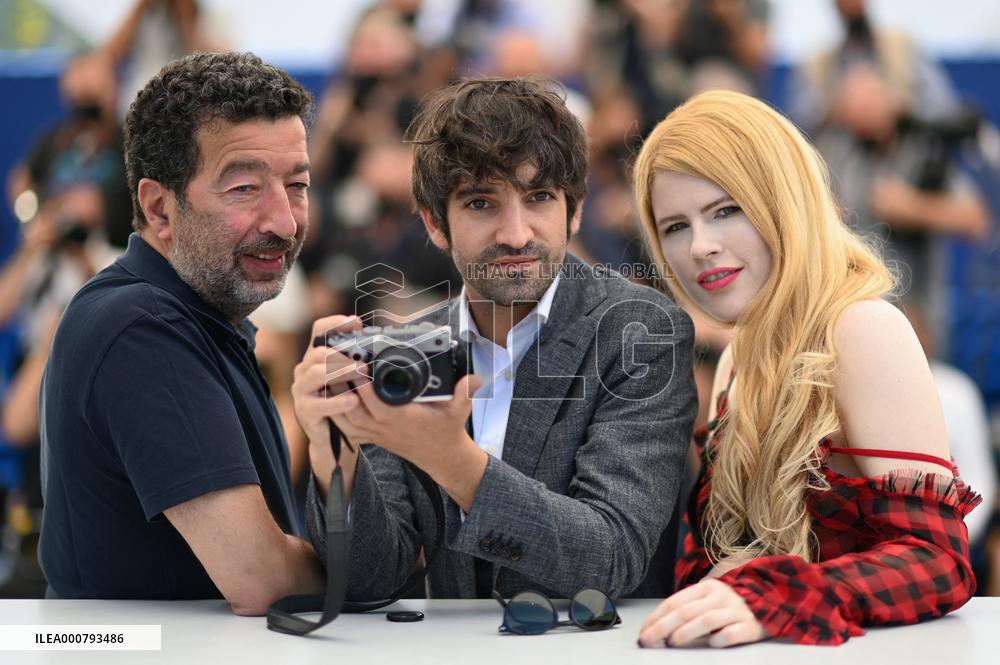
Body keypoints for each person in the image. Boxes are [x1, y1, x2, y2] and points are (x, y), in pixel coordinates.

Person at [294, 76, 697, 600]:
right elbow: (370, 582)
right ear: (436, 224)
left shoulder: (642, 330)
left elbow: (612, 557)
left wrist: (450, 459)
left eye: (539, 198)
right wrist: (333, 459)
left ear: (574, 211)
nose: (516, 233)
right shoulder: (411, 349)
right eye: (482, 203)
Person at [631, 90, 980, 647]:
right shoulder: (736, 357)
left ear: (782, 202)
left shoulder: (862, 327)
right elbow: (721, 568)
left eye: (725, 210)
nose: (700, 246)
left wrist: (773, 596)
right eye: (675, 226)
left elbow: (939, 563)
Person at [38, 52, 324, 613]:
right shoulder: (145, 326)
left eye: (297, 184)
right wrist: (393, 560)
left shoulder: (201, 315)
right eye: (244, 188)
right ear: (159, 208)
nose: (284, 222)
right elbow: (258, 577)